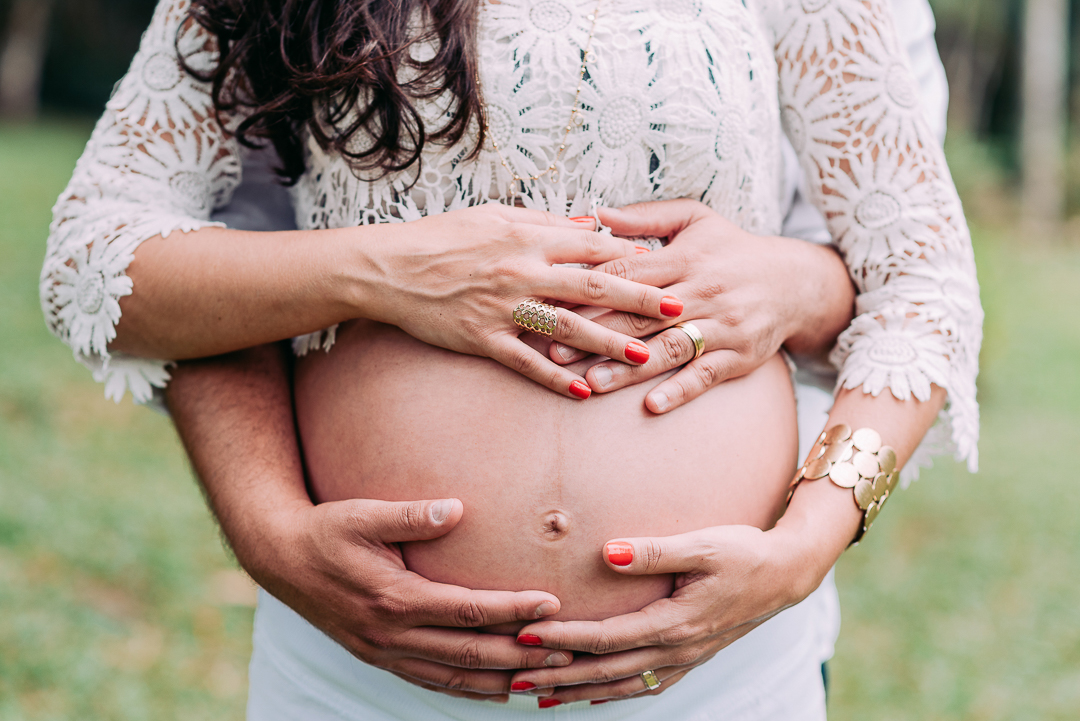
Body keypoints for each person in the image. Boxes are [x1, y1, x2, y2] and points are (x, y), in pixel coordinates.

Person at [40, 0, 981, 718]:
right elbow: (101, 255)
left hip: (715, 669)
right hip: (359, 672)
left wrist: (804, 548)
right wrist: (384, 270)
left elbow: (921, 284)